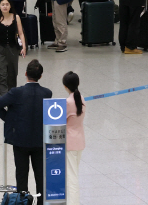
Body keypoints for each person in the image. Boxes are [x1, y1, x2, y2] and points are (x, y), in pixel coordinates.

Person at [0, 60, 52, 199]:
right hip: (39, 141)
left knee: (22, 176)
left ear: (25, 74)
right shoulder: (47, 93)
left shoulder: (16, 92)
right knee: (40, 177)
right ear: (40, 76)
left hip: (20, 141)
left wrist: (9, 120)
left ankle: (23, 202)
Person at [63, 71, 85, 205]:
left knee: (72, 177)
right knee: (74, 173)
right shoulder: (81, 99)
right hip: (80, 141)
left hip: (70, 143)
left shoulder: (67, 102)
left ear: (65, 86)